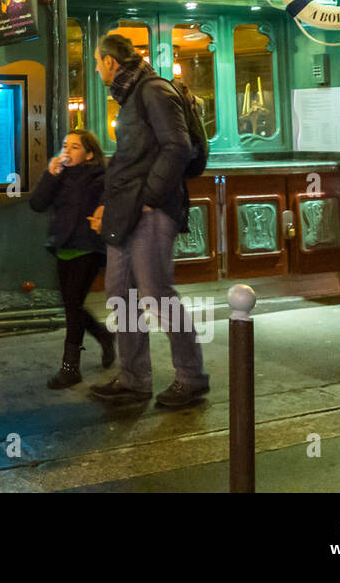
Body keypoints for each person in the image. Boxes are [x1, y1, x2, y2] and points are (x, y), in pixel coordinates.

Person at [88, 32, 210, 409]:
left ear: (111, 62)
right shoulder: (133, 95)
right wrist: (109, 203)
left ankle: (191, 378)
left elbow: (178, 147)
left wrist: (150, 199)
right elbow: (132, 158)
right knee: (119, 295)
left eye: (97, 61)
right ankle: (134, 378)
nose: (95, 68)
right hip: (128, 210)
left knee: (157, 294)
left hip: (152, 211)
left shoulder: (153, 91)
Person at [29, 129, 115, 388]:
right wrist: (50, 174)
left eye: (75, 147)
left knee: (73, 305)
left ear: (89, 153)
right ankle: (103, 334)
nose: (67, 151)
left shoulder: (99, 176)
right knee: (71, 304)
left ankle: (70, 368)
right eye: (66, 145)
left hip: (88, 247)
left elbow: (108, 199)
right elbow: (38, 204)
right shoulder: (60, 174)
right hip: (63, 245)